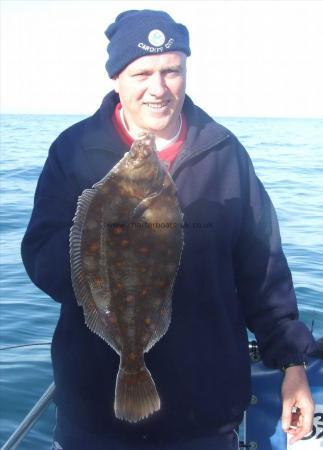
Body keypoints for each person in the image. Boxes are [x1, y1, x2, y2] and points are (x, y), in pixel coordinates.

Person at [21, 9, 316, 450]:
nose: (158, 88)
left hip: (204, 415)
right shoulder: (74, 150)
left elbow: (263, 269)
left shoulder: (224, 152)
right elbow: (41, 259)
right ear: (116, 77)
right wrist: (100, 244)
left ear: (185, 72)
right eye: (142, 72)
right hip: (95, 415)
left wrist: (293, 363)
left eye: (171, 71)